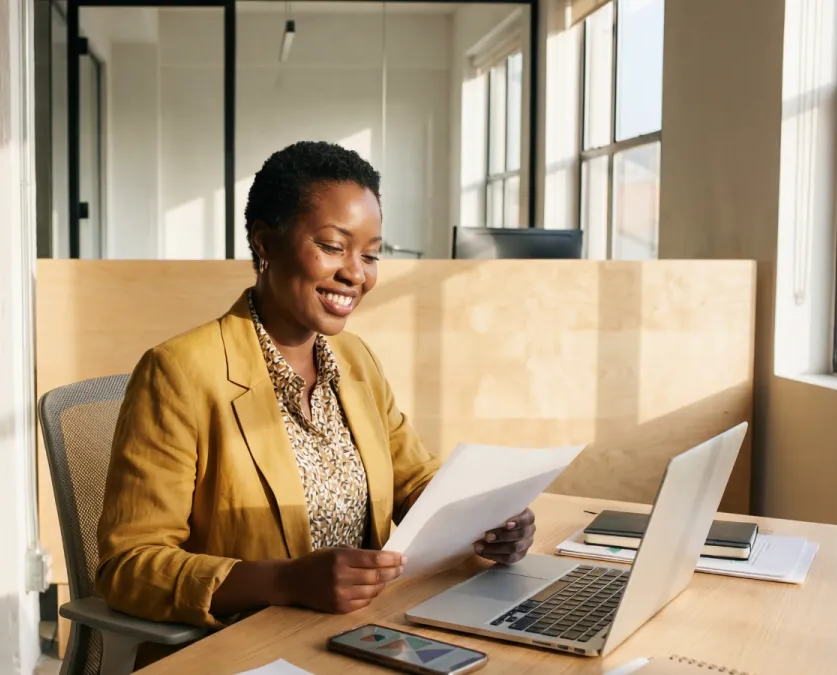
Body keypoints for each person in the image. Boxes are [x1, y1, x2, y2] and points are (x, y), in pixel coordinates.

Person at [95, 140, 536, 631]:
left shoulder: (356, 360)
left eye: (371, 255)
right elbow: (128, 567)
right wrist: (284, 581)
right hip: (250, 644)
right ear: (264, 242)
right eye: (331, 246)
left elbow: (412, 479)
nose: (355, 273)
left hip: (368, 630)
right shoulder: (177, 373)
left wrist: (490, 519)